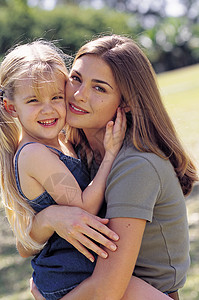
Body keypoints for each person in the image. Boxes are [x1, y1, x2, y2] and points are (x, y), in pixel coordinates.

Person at [26, 34, 198, 300]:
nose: (79, 95)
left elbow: (107, 290)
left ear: (126, 102)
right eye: (76, 78)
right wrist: (51, 218)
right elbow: (24, 244)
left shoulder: (136, 165)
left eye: (100, 88)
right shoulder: (73, 151)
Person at [0, 40, 127, 300]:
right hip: (68, 278)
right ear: (12, 108)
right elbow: (83, 209)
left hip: (80, 270)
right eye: (34, 100)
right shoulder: (34, 153)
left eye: (56, 97)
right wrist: (111, 154)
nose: (49, 109)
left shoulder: (59, 140)